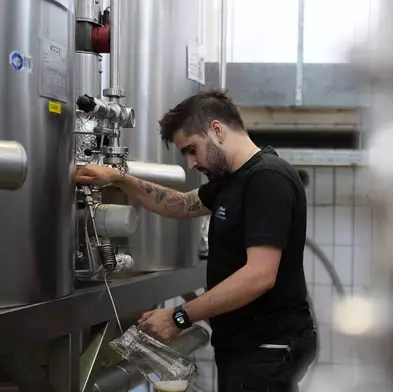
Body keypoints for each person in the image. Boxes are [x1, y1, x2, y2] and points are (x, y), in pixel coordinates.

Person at [74, 89, 317, 391]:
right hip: (246, 345)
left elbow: (259, 275)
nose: (190, 164)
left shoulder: (268, 179)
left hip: (268, 347)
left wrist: (178, 317)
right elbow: (178, 203)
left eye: (192, 149)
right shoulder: (233, 179)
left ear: (217, 130)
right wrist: (119, 178)